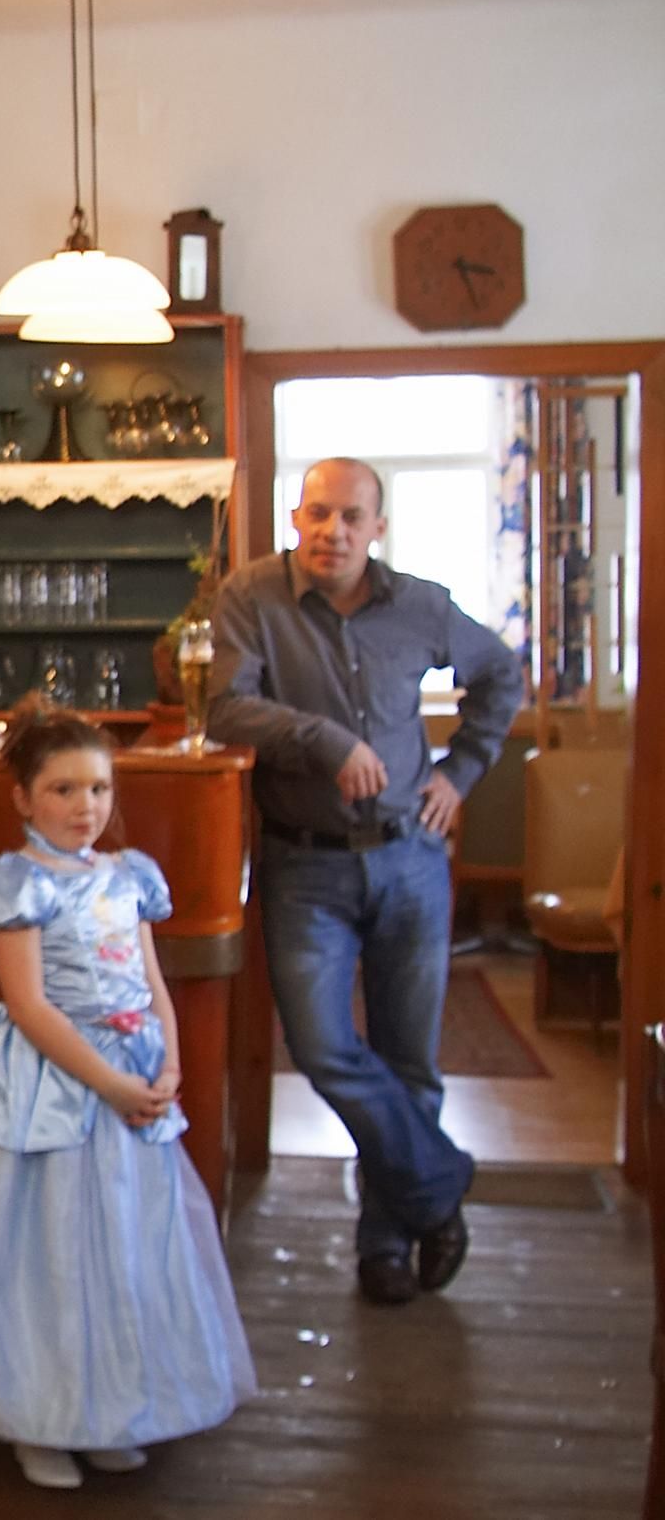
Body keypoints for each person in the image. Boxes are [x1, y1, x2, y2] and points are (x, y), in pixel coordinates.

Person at [0, 699, 254, 1490]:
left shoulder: (128, 875)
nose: (86, 807)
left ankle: (106, 1409)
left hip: (133, 1079)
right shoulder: (19, 883)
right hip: (51, 1085)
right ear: (24, 798)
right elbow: (30, 1006)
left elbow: (152, 984)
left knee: (123, 1248)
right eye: (64, 790)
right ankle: (36, 1419)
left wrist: (168, 1066)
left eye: (99, 789)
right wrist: (110, 1083)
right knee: (45, 1254)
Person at [207, 457, 522, 1306]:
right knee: (320, 1049)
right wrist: (327, 740)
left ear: (377, 528)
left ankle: (386, 1242)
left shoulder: (421, 605)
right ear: (296, 518)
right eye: (318, 513)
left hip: (410, 859)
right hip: (304, 865)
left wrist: (460, 772)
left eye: (351, 517)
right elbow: (224, 708)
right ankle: (439, 1184)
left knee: (408, 1060)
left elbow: (501, 675)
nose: (332, 531)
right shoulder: (251, 597)